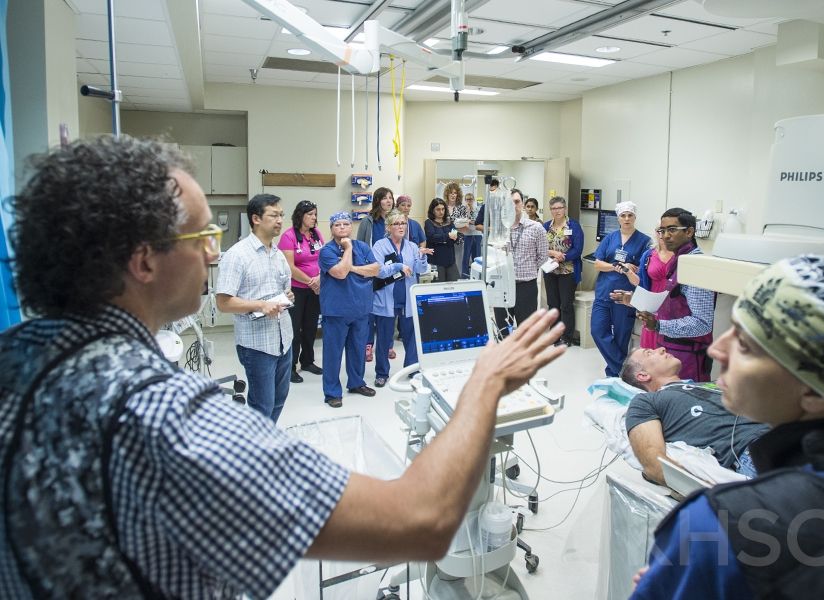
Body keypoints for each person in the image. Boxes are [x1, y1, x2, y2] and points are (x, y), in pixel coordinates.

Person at [0, 135, 568, 599]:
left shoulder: (16, 362)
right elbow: (421, 519)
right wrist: (486, 381)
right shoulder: (163, 419)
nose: (212, 253)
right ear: (143, 260)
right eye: (202, 235)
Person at [632, 255, 824, 599]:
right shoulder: (648, 401)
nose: (716, 349)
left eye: (744, 345)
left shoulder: (719, 527)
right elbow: (656, 462)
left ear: (815, 392)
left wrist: (697, 569)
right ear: (643, 377)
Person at [620, 347, 768, 484]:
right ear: (643, 375)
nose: (661, 348)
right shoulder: (645, 402)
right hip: (756, 449)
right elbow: (654, 465)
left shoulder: (708, 385)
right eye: (649, 353)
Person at [216, 193, 294, 422]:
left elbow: (282, 289)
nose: (280, 220)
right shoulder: (237, 256)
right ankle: (255, 451)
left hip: (283, 339)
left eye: (281, 215)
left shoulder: (278, 255)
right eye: (273, 215)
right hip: (257, 345)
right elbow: (223, 302)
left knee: (279, 399)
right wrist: (261, 305)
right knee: (262, 405)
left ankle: (267, 443)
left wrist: (286, 295)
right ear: (256, 219)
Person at [613, 208, 715, 382]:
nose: (665, 235)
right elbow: (671, 303)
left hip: (688, 355)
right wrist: (634, 300)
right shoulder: (677, 262)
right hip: (668, 348)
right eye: (662, 230)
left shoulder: (696, 267)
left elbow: (703, 324)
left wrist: (660, 325)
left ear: (689, 231)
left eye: (672, 230)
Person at [318, 212, 380, 407]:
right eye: (338, 225)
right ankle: (332, 392)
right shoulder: (326, 251)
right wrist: (347, 250)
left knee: (358, 350)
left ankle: (356, 383)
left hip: (361, 309)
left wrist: (353, 267)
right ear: (331, 229)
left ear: (351, 227)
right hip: (336, 311)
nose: (343, 228)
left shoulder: (362, 247)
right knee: (333, 354)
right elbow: (340, 272)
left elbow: (375, 269)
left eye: (346, 224)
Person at [591, 201, 652, 376]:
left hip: (626, 297)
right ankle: (623, 369)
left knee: (621, 336)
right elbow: (597, 264)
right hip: (604, 293)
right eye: (623, 215)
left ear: (635, 217)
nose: (626, 219)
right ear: (618, 218)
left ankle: (613, 373)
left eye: (630, 215)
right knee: (597, 330)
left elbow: (643, 270)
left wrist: (630, 268)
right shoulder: (610, 238)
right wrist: (616, 266)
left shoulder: (644, 241)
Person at [370, 211, 431, 387]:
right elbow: (378, 271)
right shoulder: (380, 246)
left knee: (411, 337)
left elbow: (420, 270)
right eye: (396, 224)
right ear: (388, 227)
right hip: (386, 299)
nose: (401, 227)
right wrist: (398, 266)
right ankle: (381, 373)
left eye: (403, 223)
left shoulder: (412, 246)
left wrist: (422, 256)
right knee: (384, 339)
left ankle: (412, 370)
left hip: (407, 300)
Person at [278, 200, 324, 383]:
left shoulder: (316, 234)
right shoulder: (288, 236)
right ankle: (290, 366)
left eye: (315, 214)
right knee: (294, 329)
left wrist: (319, 278)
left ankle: (307, 361)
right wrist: (310, 281)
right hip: (296, 289)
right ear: (300, 216)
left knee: (311, 327)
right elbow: (289, 266)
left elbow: (324, 258)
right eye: (310, 214)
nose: (314, 218)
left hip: (316, 288)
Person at [494, 189, 548, 338]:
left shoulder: (536, 228)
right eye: (509, 203)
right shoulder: (499, 229)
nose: (513, 206)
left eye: (516, 202)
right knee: (503, 332)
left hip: (526, 287)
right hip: (503, 287)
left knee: (527, 333)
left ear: (523, 204)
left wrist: (528, 269)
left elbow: (543, 256)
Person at [357, 186, 395, 363]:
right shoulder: (368, 221)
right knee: (370, 310)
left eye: (390, 198)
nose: (388, 201)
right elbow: (360, 245)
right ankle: (368, 345)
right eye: (385, 198)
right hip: (372, 270)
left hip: (391, 270)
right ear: (378, 200)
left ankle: (387, 345)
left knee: (388, 309)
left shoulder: (396, 220)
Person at [542, 196, 585, 346]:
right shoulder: (546, 226)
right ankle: (554, 336)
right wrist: (553, 253)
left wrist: (563, 257)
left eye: (560, 208)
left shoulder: (574, 226)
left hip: (568, 271)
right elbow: (540, 247)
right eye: (554, 208)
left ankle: (567, 337)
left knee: (566, 305)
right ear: (550, 210)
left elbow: (578, 249)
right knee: (552, 304)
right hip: (550, 270)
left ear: (565, 208)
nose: (557, 211)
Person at [623, 228, 674, 349]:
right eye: (659, 231)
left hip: (674, 308)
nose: (662, 234)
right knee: (649, 350)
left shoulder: (681, 256)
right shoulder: (648, 255)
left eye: (668, 230)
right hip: (652, 308)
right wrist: (628, 272)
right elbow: (640, 283)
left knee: (668, 353)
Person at [424, 197, 460, 282]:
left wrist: (455, 237)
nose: (441, 212)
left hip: (450, 260)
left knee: (455, 285)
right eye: (438, 209)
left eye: (443, 209)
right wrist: (448, 236)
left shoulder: (449, 222)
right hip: (436, 261)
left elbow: (455, 235)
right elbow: (432, 237)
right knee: (438, 288)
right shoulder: (428, 223)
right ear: (433, 210)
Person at [444, 182, 466, 274]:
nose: (453, 195)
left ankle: (457, 284)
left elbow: (466, 227)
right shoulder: (442, 206)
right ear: (447, 194)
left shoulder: (462, 208)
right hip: (444, 240)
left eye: (455, 193)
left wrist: (454, 229)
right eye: (451, 193)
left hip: (458, 240)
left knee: (457, 265)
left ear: (458, 195)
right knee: (444, 265)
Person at [460, 192, 482, 278]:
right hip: (467, 235)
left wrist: (470, 221)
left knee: (476, 257)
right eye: (467, 199)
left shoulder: (478, 209)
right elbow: (462, 222)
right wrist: (468, 212)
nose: (469, 201)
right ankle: (465, 276)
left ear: (473, 200)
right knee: (466, 257)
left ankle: (477, 276)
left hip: (477, 234)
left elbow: (477, 222)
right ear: (465, 200)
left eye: (471, 199)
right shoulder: (463, 210)